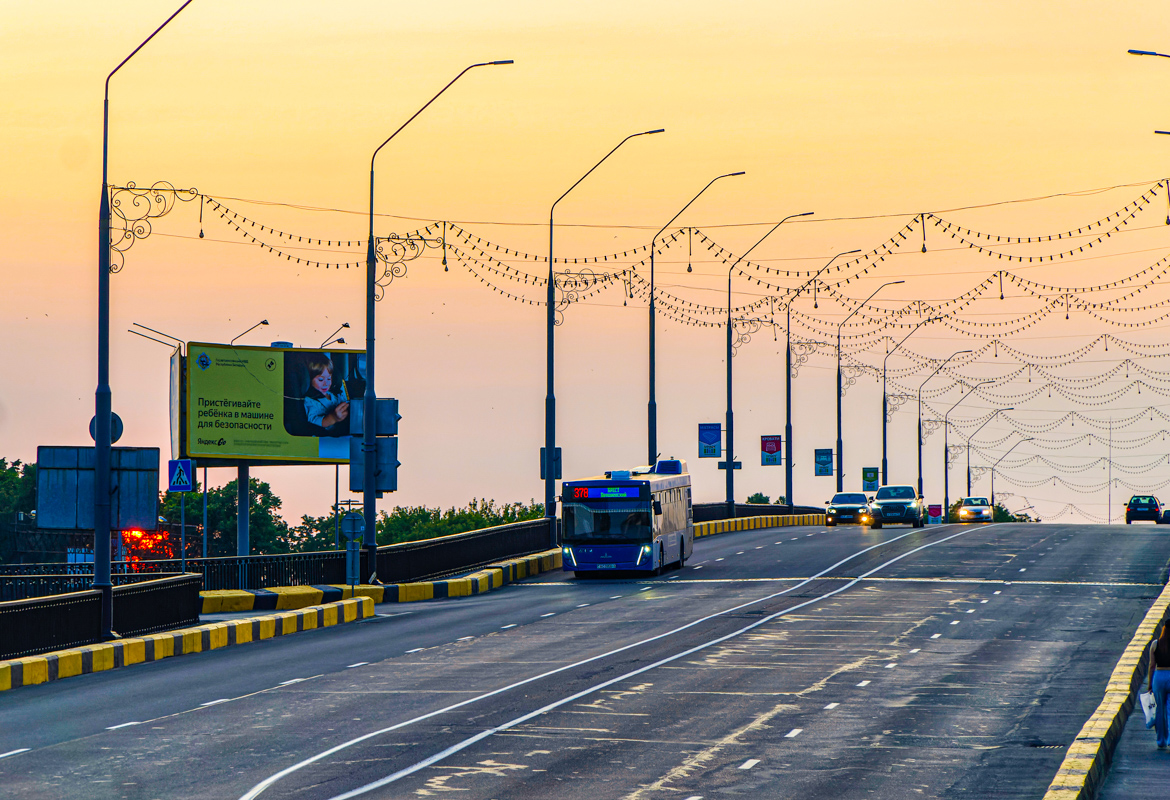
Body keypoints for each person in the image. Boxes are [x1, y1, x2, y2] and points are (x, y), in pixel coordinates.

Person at [303, 356, 349, 431]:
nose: (326, 383)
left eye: (329, 378)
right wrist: (334, 417)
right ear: (310, 379)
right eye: (321, 379)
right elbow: (317, 421)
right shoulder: (310, 401)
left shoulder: (334, 394)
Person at [1150, 621, 1170, 749]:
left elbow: (1152, 665)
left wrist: (1149, 683)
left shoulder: (1155, 644)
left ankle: (1160, 740)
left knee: (1159, 709)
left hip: (1159, 676)